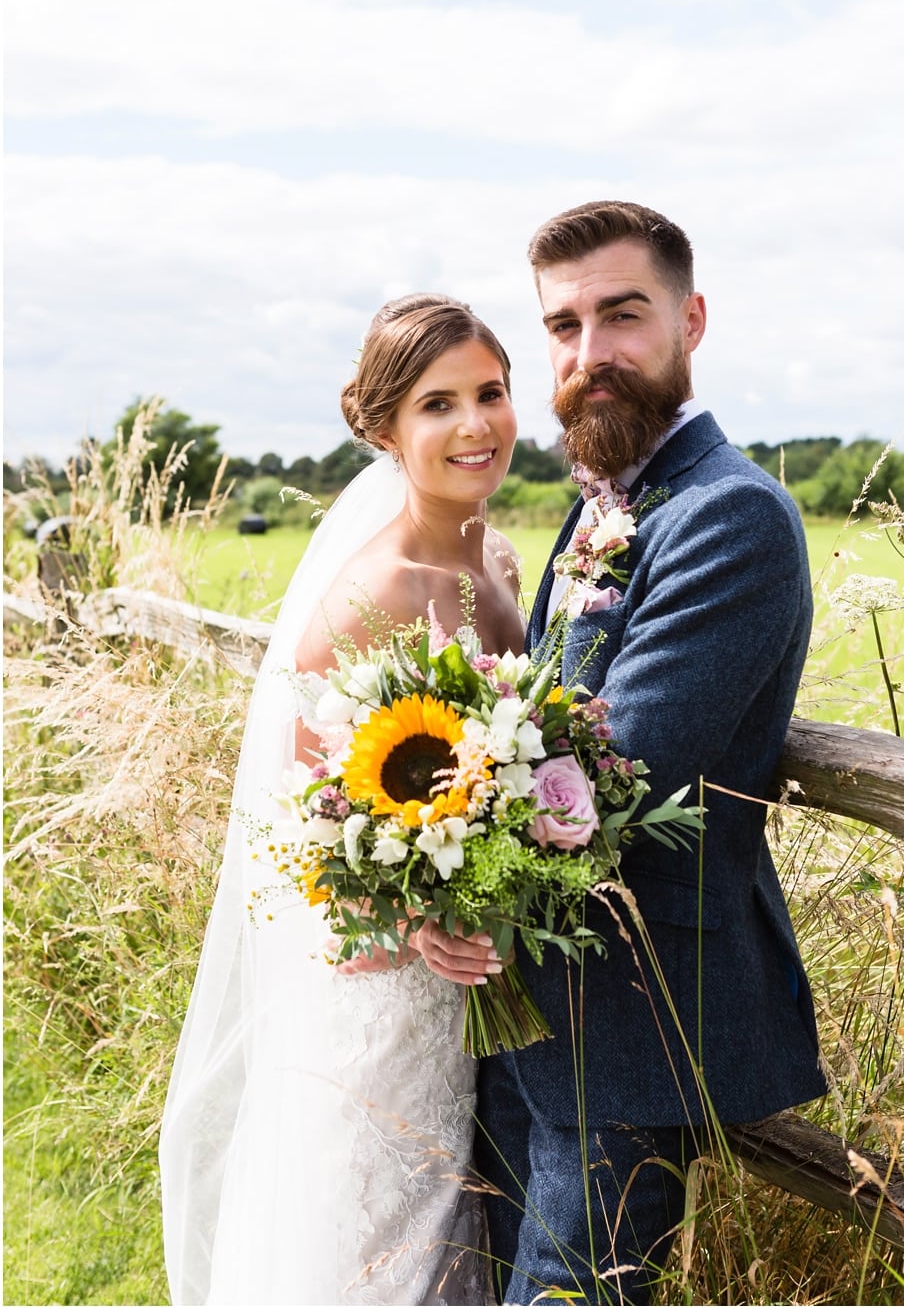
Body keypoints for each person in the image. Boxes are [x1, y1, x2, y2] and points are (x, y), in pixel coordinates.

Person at [419, 201, 829, 1305]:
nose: (588, 354)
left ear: (690, 320)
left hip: (634, 1021)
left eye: (622, 315)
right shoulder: (608, 500)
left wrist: (428, 863)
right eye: (562, 326)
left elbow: (613, 771)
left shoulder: (727, 516)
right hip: (532, 993)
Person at [159, 294, 522, 1306]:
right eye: (436, 404)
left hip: (464, 1000)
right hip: (379, 1002)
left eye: (489, 393)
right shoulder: (375, 590)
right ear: (385, 430)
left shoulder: (494, 567)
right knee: (369, 1251)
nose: (473, 424)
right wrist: (412, 921)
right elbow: (290, 834)